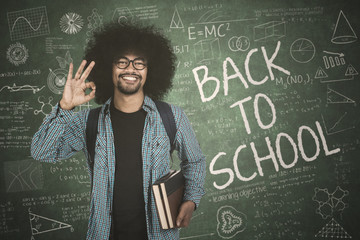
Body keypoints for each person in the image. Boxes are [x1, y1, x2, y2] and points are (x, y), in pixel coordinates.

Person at [31, 23, 206, 240]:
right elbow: (41, 152)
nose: (131, 69)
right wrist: (65, 108)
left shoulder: (172, 117)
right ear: (109, 68)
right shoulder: (88, 122)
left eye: (139, 63)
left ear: (150, 70)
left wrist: (191, 199)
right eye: (122, 62)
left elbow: (195, 161)